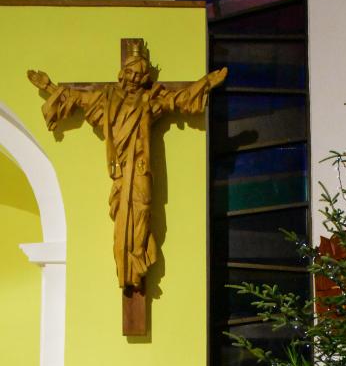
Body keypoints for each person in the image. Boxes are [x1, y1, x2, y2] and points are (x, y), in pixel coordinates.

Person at [28, 44, 227, 289]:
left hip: (141, 166)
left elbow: (178, 99)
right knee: (122, 214)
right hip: (120, 169)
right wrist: (48, 86)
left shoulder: (150, 99)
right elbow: (77, 97)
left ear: (144, 78)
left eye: (139, 75)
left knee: (143, 208)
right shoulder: (106, 98)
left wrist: (205, 83)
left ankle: (138, 256)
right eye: (131, 73)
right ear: (123, 73)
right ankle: (126, 265)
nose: (134, 78)